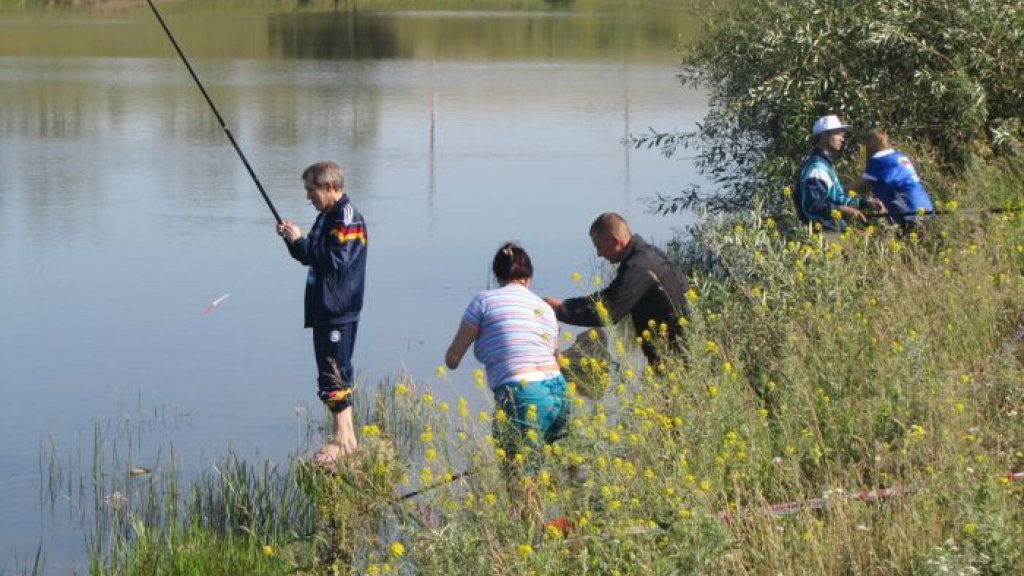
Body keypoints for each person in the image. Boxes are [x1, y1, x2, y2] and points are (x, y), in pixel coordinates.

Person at [445, 243, 569, 472]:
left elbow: (453, 358)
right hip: (557, 392)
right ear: (529, 276)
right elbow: (557, 358)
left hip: (521, 394)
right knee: (548, 475)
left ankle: (525, 509)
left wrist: (452, 358)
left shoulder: (483, 301)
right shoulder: (544, 308)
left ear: (497, 276)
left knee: (518, 478)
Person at [277, 161, 368, 466]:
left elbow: (335, 261)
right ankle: (347, 438)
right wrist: (293, 241)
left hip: (338, 310)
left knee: (334, 371)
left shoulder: (346, 218)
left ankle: (342, 441)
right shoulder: (326, 217)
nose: (308, 197)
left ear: (329, 187)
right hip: (326, 309)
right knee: (334, 370)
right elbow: (311, 257)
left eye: (311, 190)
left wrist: (301, 241)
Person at [543, 213, 689, 365]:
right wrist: (564, 306)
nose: (599, 254)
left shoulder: (638, 266)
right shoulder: (647, 254)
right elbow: (610, 296)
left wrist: (561, 310)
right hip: (680, 350)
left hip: (676, 358)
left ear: (614, 241)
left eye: (599, 246)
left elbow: (609, 310)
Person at [795, 114, 885, 231]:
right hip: (823, 233)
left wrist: (867, 203)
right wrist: (842, 210)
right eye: (838, 133)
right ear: (825, 135)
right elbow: (813, 206)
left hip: (832, 229)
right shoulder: (817, 169)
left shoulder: (825, 166)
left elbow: (839, 199)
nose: (842, 138)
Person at [851, 128, 934, 227]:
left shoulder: (878, 160)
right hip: (925, 206)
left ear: (871, 143)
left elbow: (859, 184)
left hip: (907, 211)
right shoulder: (900, 156)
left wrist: (837, 190)